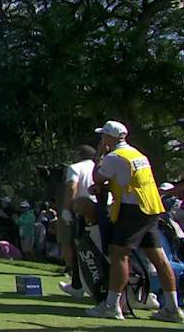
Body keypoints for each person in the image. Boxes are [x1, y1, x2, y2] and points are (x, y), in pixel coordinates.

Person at [85, 120, 184, 323]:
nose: (101, 138)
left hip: (133, 210)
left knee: (119, 254)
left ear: (110, 138)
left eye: (103, 135)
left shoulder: (113, 156)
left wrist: (99, 155)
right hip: (152, 208)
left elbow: (97, 178)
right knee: (159, 258)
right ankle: (172, 308)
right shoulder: (138, 154)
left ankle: (112, 306)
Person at [58, 145, 99, 297]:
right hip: (101, 211)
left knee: (79, 248)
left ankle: (78, 286)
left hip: (82, 212)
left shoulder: (75, 167)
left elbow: (72, 188)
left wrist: (67, 210)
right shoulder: (99, 167)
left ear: (80, 154)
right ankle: (85, 284)